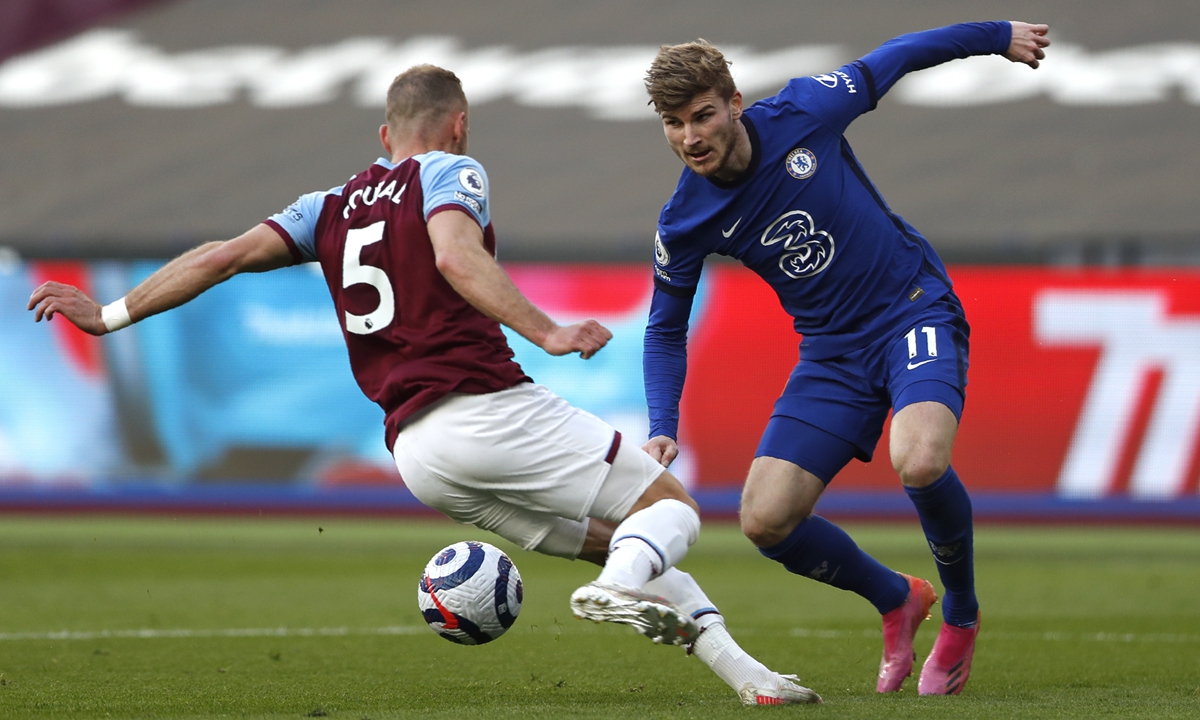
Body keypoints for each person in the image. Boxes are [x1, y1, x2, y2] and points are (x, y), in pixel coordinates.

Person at [27, 64, 820, 706]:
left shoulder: (327, 206)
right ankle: (616, 592)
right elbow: (452, 254)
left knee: (626, 550)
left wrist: (109, 312)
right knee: (671, 511)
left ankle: (751, 681)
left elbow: (220, 256)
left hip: (418, 455)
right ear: (458, 123)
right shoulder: (448, 169)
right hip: (483, 408)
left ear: (382, 135)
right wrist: (547, 331)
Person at [640, 22, 1051, 695]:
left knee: (920, 460)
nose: (691, 137)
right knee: (764, 521)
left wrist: (998, 35)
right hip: (832, 353)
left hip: (910, 307)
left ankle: (961, 614)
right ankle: (897, 598)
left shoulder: (806, 110)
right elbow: (663, 330)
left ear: (735, 102)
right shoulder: (683, 220)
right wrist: (663, 423)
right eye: (674, 123)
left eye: (703, 115)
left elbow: (895, 58)